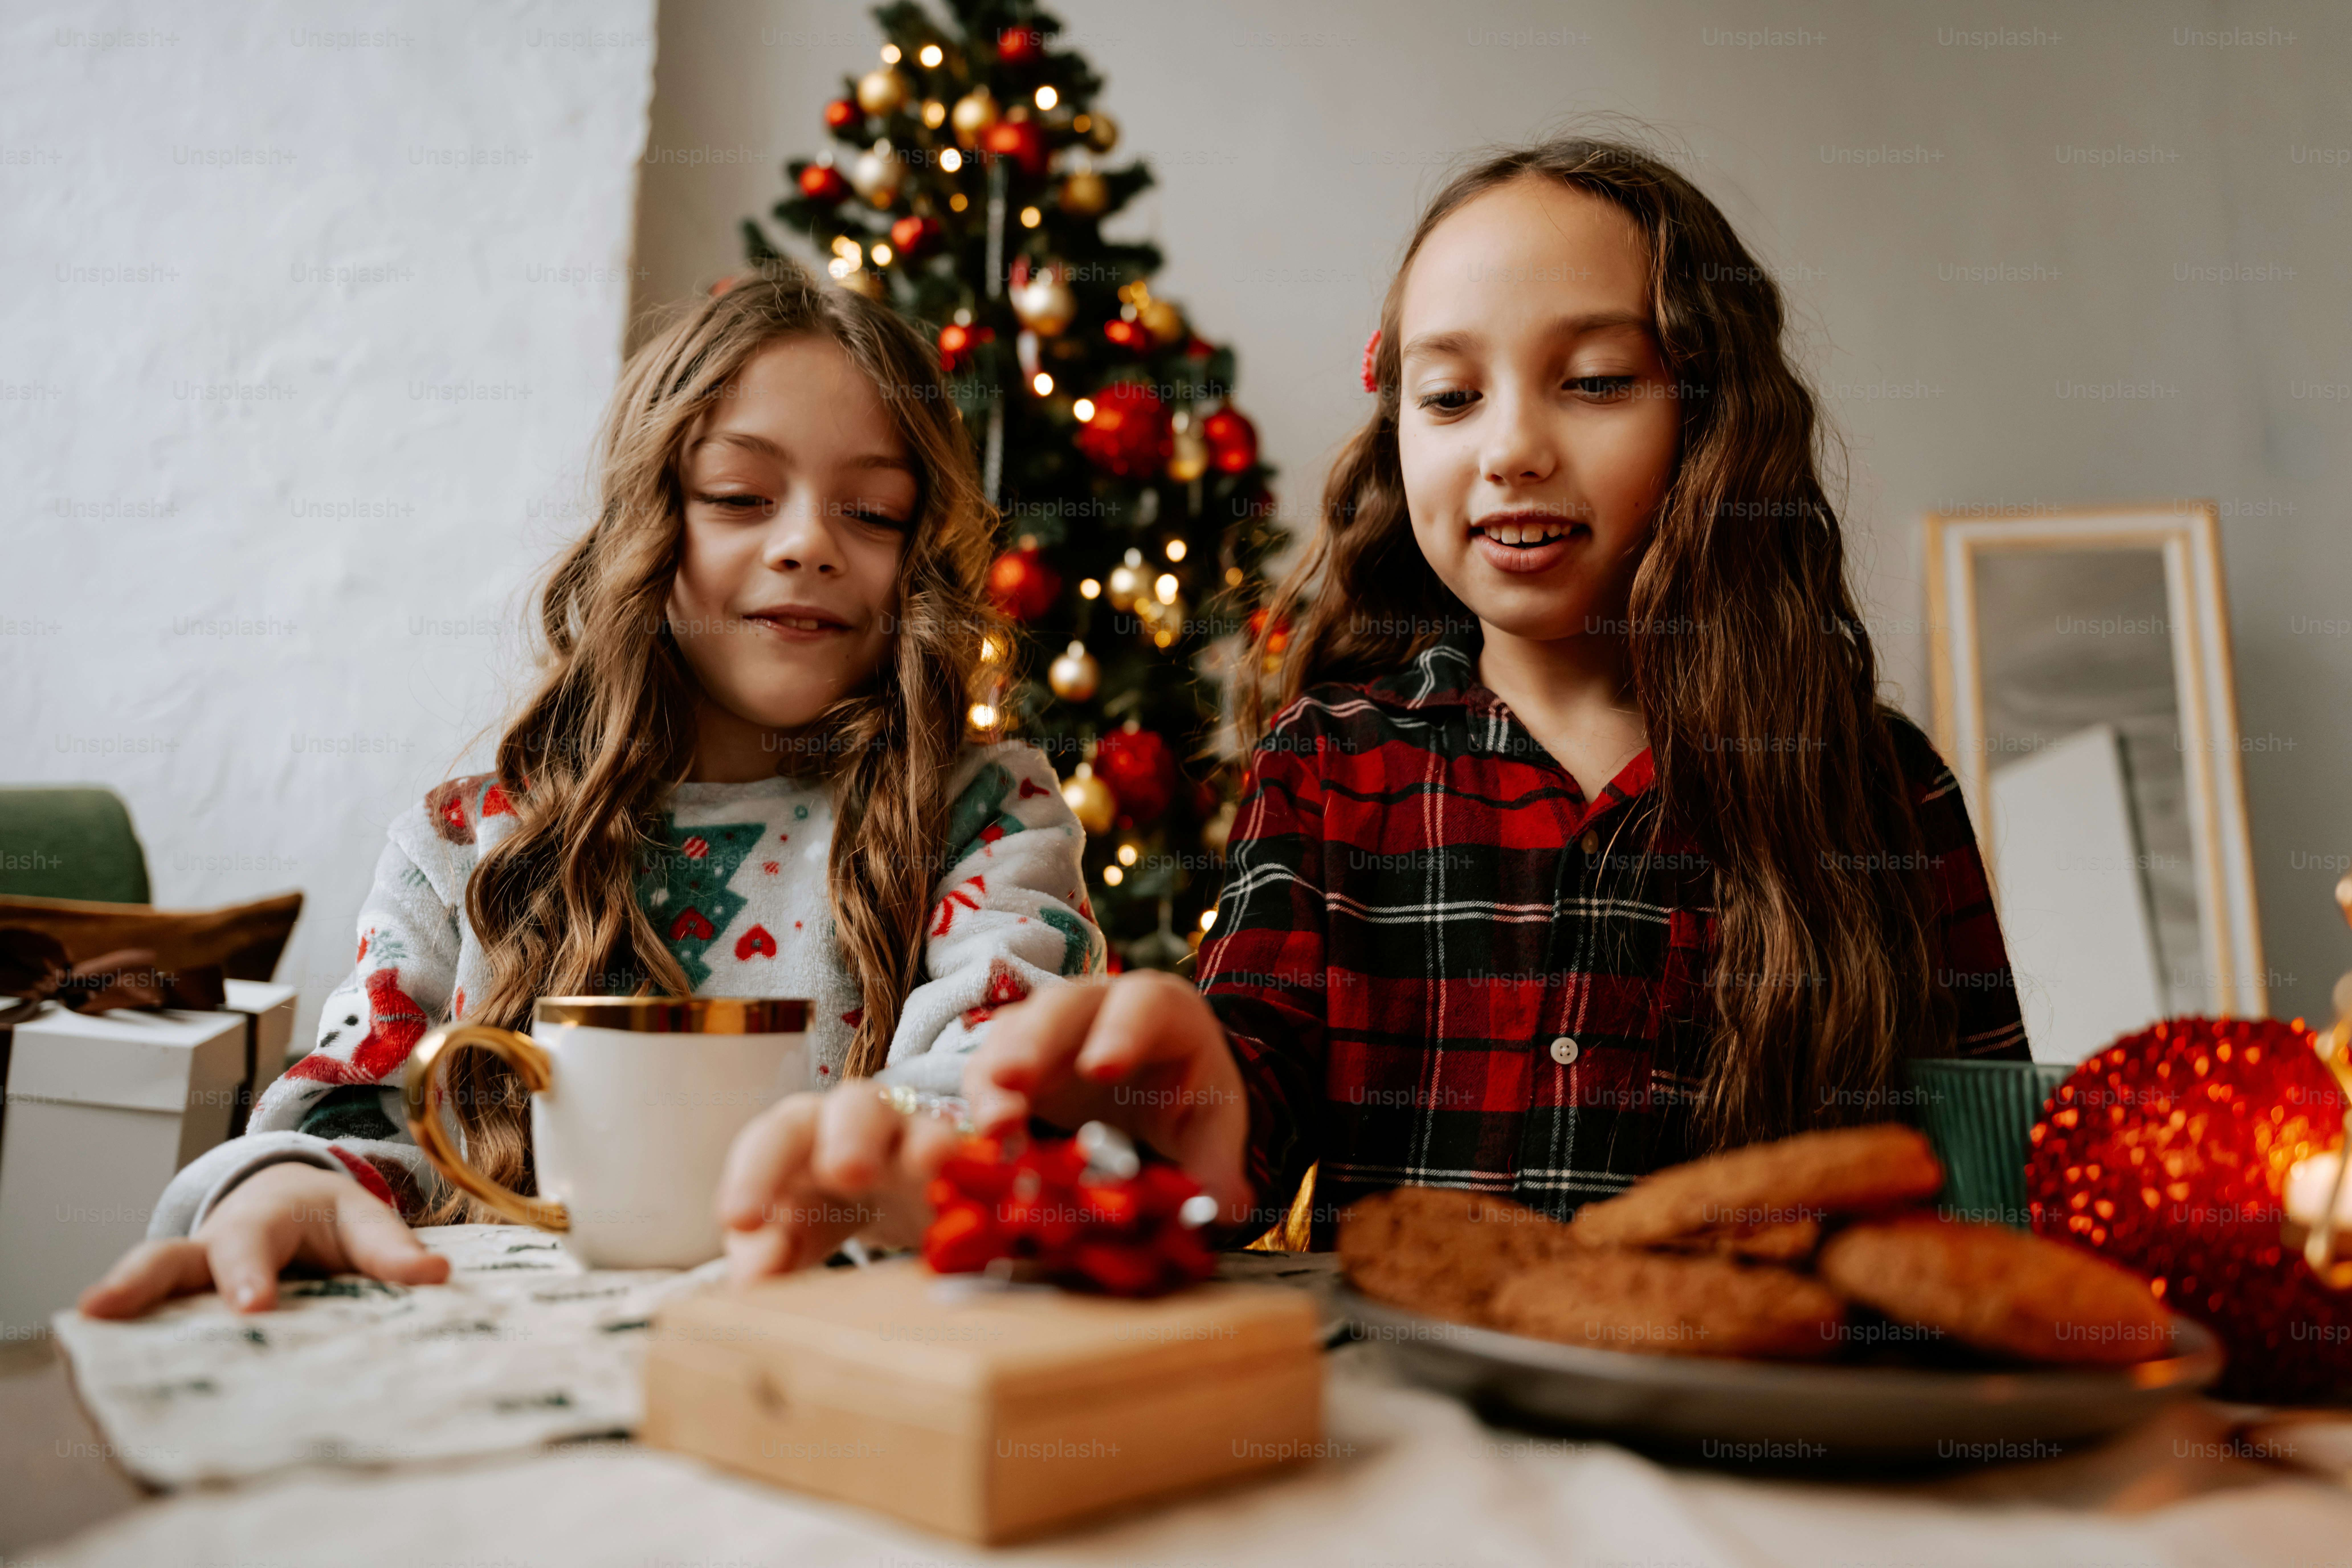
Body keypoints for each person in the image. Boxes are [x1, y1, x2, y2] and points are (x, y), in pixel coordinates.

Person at [717, 133, 2028, 1269]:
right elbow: (1241, 1116)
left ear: (1716, 417)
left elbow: (1990, 1196)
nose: (1511, 445)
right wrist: (1181, 1085)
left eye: (1596, 380)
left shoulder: (1880, 787)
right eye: (1450, 394)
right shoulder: (1335, 764)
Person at [81, 265, 1104, 1317]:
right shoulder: (464, 843)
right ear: (649, 522)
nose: (807, 544)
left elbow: (1016, 1085)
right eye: (740, 498)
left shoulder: (989, 820)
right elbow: (351, 1121)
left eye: (874, 511)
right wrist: (288, 1189)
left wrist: (888, 1172)